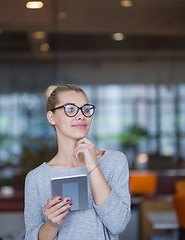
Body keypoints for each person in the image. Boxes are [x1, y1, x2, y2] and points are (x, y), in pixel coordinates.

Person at [24, 84, 131, 240]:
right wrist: (52, 224)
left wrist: (93, 167)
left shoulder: (114, 161)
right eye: (70, 109)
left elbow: (118, 224)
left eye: (86, 109)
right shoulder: (36, 178)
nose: (81, 115)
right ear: (51, 118)